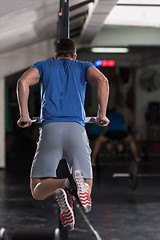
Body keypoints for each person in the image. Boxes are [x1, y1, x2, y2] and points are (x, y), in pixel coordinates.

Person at [17, 38, 110, 231]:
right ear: (74, 55)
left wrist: (24, 115)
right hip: (76, 129)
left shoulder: (44, 66)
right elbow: (102, 80)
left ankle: (66, 183)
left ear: (55, 55)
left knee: (37, 189)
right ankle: (74, 184)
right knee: (87, 185)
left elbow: (23, 81)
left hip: (50, 130)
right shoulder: (83, 66)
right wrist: (102, 114)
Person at [91, 110, 140, 189]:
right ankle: (137, 159)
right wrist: (121, 140)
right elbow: (124, 126)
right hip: (121, 132)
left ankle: (92, 161)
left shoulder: (106, 115)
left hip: (111, 132)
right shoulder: (120, 115)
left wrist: (109, 139)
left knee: (98, 141)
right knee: (131, 140)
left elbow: (105, 127)